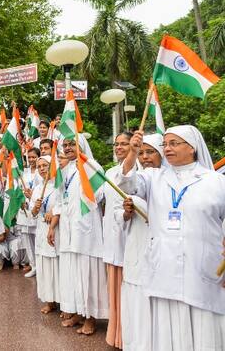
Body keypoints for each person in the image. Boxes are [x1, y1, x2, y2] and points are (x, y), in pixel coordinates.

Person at [118, 126, 225, 350]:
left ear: (192, 148)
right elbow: (127, 183)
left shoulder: (215, 181)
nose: (167, 148)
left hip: (202, 270)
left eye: (174, 143)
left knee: (203, 327)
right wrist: (132, 152)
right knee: (167, 333)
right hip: (163, 269)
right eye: (165, 144)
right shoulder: (153, 177)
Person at [57, 137, 108, 336]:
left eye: (72, 144)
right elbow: (62, 198)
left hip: (87, 232)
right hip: (69, 231)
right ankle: (78, 312)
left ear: (82, 146)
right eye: (65, 145)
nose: (68, 148)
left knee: (87, 275)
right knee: (72, 274)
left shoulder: (92, 166)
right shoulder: (67, 170)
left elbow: (101, 194)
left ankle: (91, 318)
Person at [117, 134, 163, 351]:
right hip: (137, 249)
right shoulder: (142, 178)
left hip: (163, 255)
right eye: (141, 153)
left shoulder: (169, 178)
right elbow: (127, 182)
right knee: (136, 304)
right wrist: (126, 213)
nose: (145, 157)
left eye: (150, 152)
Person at [103, 132, 132, 349]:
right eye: (117, 144)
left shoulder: (140, 172)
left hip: (131, 238)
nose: (119, 147)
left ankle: (129, 335)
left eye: (125, 144)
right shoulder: (109, 171)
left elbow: (127, 177)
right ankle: (115, 334)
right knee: (115, 289)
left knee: (128, 290)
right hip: (112, 237)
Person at [30, 155, 60, 314]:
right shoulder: (37, 188)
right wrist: (35, 207)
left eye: (45, 165)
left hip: (55, 229)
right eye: (39, 166)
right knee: (44, 266)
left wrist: (52, 211)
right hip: (41, 230)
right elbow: (32, 213)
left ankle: (62, 301)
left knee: (56, 265)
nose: (42, 168)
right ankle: (49, 301)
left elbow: (63, 205)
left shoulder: (59, 185)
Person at [19, 147, 40, 277]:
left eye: (34, 157)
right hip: (24, 209)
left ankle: (40, 264)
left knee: (37, 239)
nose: (31, 159)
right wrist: (21, 199)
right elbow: (19, 189)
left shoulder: (42, 171)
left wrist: (32, 197)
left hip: (36, 209)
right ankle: (33, 265)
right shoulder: (24, 172)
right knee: (26, 238)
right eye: (29, 157)